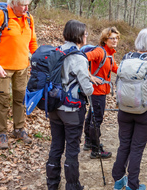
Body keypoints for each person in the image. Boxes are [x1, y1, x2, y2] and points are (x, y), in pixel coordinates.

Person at [112, 28, 147, 190]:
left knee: (124, 144)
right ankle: (133, 185)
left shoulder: (127, 57)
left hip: (124, 109)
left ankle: (118, 178)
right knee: (136, 148)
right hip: (144, 111)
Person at [0, 0, 38, 149]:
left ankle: (18, 129)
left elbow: (33, 43)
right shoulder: (1, 15)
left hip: (22, 67)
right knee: (2, 100)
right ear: (13, 3)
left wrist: (36, 62)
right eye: (23, 5)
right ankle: (1, 133)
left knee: (19, 99)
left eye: (28, 5)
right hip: (3, 68)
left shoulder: (29, 18)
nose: (26, 8)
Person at [45, 20, 93, 190]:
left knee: (56, 146)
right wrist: (91, 83)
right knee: (72, 150)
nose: (86, 36)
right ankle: (72, 186)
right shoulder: (78, 57)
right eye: (85, 33)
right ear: (79, 35)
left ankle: (52, 184)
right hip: (71, 110)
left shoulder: (55, 51)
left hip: (54, 107)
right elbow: (87, 89)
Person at [83, 27, 120, 159]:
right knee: (96, 119)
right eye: (112, 38)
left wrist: (129, 70)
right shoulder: (99, 51)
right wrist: (89, 76)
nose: (115, 40)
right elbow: (81, 59)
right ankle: (96, 149)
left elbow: (114, 68)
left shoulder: (110, 53)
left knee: (91, 117)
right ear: (105, 39)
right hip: (97, 91)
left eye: (116, 38)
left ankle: (88, 141)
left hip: (101, 91)